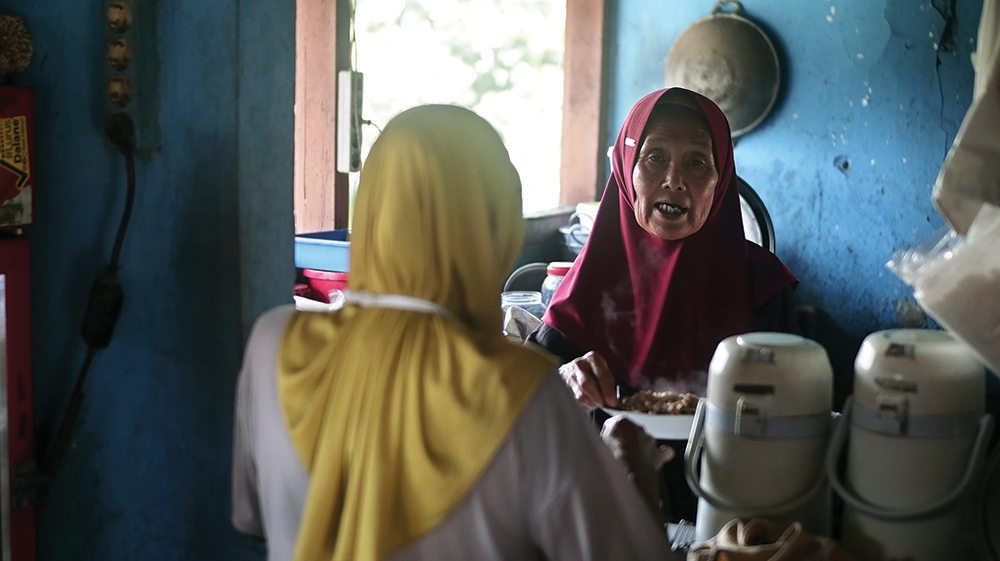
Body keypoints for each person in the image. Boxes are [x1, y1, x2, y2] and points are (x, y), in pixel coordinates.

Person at [231, 104, 680, 561]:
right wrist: (634, 471)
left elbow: (251, 519)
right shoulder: (519, 389)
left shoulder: (274, 344)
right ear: (498, 228)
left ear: (370, 210)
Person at [527, 87, 799, 521]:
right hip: (599, 501)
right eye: (655, 158)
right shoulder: (591, 276)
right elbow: (525, 394)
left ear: (721, 177)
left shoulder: (762, 284)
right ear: (626, 169)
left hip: (730, 502)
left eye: (696, 162)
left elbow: (793, 414)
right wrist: (566, 379)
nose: (674, 180)